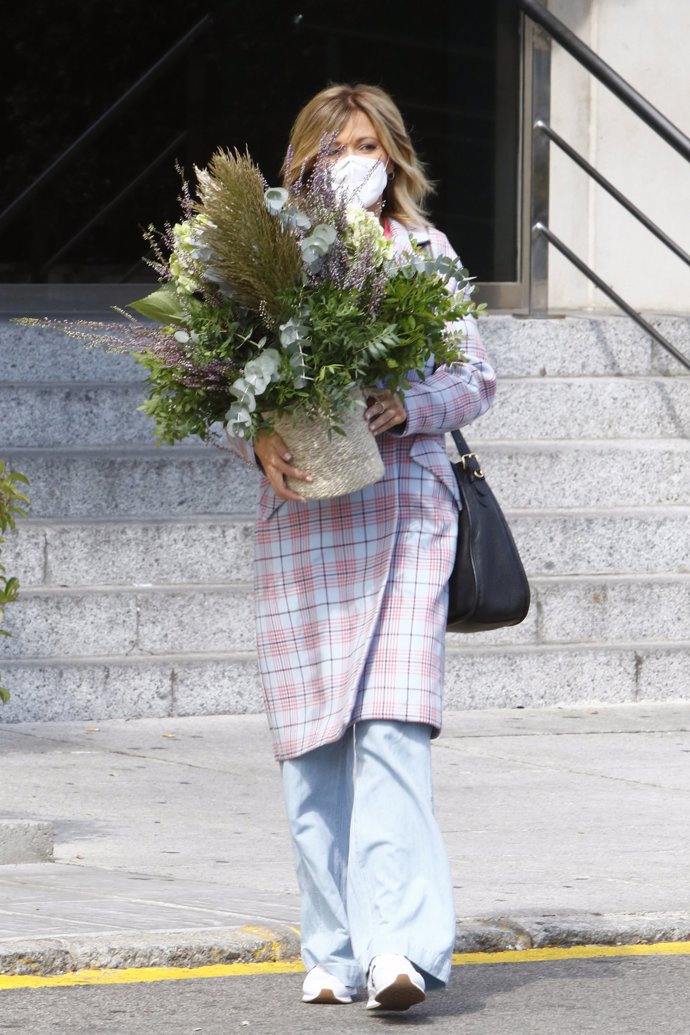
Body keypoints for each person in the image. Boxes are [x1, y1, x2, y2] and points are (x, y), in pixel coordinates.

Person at [236, 83, 496, 1011]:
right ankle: (334, 950)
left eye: (369, 142)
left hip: (406, 513)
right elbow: (226, 382)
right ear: (305, 161)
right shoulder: (263, 259)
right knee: (311, 752)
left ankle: (401, 952)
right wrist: (256, 435)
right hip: (306, 514)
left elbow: (476, 375)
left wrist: (408, 404)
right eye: (339, 145)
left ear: (394, 155)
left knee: (391, 731)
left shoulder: (426, 252)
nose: (356, 159)